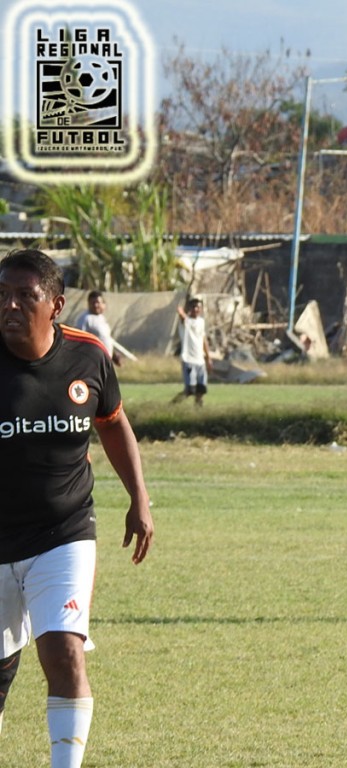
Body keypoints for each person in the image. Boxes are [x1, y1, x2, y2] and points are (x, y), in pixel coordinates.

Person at [0, 249, 154, 768]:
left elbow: (113, 422)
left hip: (63, 532)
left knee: (64, 651)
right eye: (2, 295)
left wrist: (139, 497)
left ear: (56, 306)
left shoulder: (88, 357)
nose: (11, 305)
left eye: (25, 296)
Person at [172, 298, 212, 407]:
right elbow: (182, 316)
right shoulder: (186, 321)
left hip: (200, 361)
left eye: (198, 307)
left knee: (201, 390)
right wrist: (180, 310)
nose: (195, 309)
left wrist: (208, 358)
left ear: (201, 309)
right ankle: (172, 405)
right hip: (188, 360)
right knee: (189, 390)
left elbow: (203, 340)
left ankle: (198, 411)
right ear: (189, 308)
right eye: (193, 307)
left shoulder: (201, 322)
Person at [74, 290, 122, 366]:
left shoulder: (101, 318)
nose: (96, 305)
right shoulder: (85, 319)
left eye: (98, 302)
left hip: (105, 362)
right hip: (92, 363)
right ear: (88, 303)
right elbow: (78, 341)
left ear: (103, 303)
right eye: (93, 303)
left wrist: (113, 354)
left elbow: (105, 339)